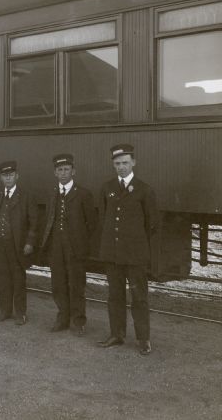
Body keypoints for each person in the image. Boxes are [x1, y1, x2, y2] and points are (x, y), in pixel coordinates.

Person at [98, 144, 159, 355]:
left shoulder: (144, 189)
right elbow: (103, 220)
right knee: (115, 296)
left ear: (134, 162)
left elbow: (152, 224)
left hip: (135, 256)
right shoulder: (107, 188)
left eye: (125, 162)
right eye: (117, 163)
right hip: (113, 255)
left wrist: (140, 248)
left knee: (139, 297)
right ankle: (117, 334)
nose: (121, 167)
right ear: (112, 165)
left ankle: (143, 339)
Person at [40, 154, 97, 336]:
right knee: (58, 284)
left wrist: (81, 242)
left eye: (66, 169)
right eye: (59, 170)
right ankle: (62, 318)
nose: (63, 173)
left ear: (73, 171)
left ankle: (78, 321)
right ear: (55, 173)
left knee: (76, 285)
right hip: (56, 247)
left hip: (76, 249)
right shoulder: (51, 193)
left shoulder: (83, 194)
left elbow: (92, 223)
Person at [0, 161, 38, 325]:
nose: (8, 178)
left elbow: (34, 223)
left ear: (17, 176)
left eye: (11, 175)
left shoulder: (26, 196)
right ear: (1, 177)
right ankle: (5, 311)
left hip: (17, 245)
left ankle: (20, 313)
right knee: (2, 279)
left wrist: (29, 242)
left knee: (18, 279)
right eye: (5, 176)